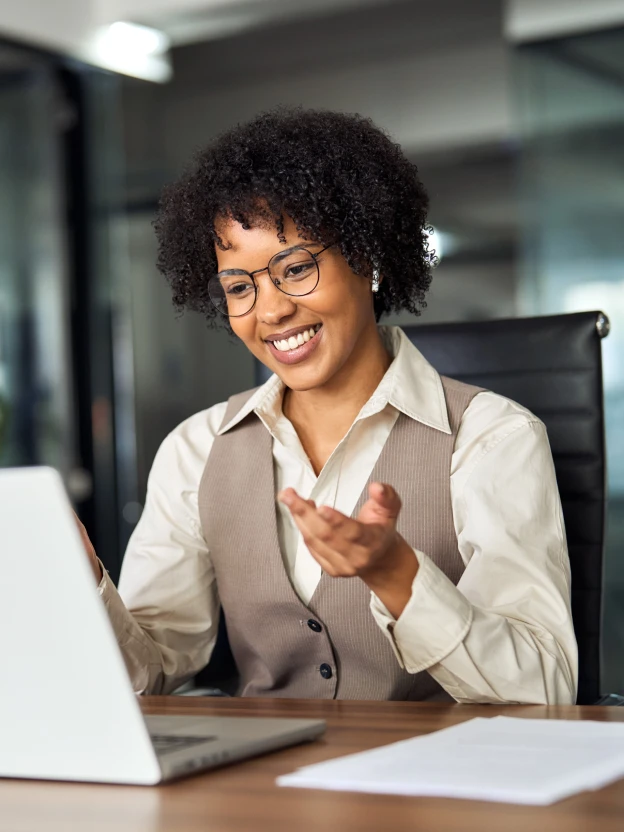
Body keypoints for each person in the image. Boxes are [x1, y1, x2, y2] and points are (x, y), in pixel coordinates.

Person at [79, 108, 577, 703]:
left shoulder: (492, 437)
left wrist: (397, 576)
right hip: (264, 763)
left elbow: (544, 690)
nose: (271, 311)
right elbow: (151, 674)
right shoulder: (197, 449)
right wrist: (83, 582)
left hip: (439, 763)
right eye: (239, 287)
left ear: (367, 258)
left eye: (295, 268)